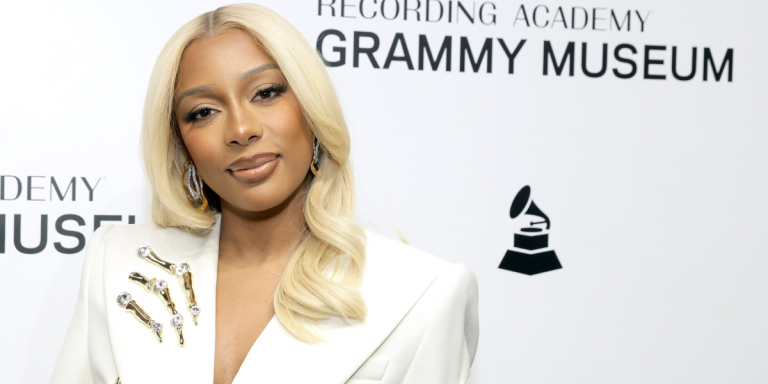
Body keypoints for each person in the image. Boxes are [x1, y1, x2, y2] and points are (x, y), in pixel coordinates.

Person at [50, 4, 479, 384]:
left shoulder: (422, 292)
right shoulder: (117, 264)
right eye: (203, 112)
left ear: (310, 109)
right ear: (181, 144)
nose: (241, 130)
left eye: (266, 93)